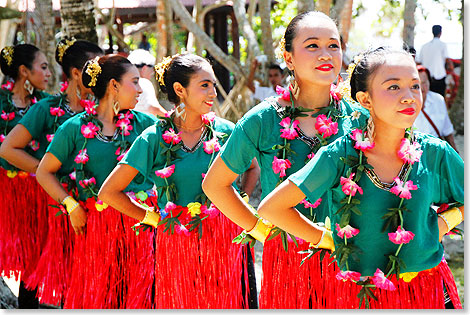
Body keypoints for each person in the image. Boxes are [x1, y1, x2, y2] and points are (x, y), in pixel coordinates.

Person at [257, 47, 463, 309]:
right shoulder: (339, 155)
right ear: (365, 99)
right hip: (357, 298)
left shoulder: (435, 153)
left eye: (414, 86)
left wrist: (444, 223)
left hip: (424, 293)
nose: (409, 97)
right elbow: (272, 207)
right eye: (393, 87)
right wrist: (324, 238)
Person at [203, 11, 369, 308]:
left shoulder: (360, 117)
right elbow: (215, 185)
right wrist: (259, 229)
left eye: (333, 45)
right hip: (289, 262)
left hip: (352, 255)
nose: (326, 54)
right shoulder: (262, 119)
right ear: (288, 58)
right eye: (312, 45)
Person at [98, 53, 260, 308]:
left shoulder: (227, 131)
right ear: (179, 90)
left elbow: (252, 168)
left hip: (225, 243)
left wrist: (241, 199)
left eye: (213, 85)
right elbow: (108, 192)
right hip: (176, 244)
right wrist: (151, 218)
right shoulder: (154, 137)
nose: (212, 92)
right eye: (204, 85)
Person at [35, 54, 157, 308]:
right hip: (95, 230)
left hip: (140, 227)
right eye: (134, 82)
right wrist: (71, 204)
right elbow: (44, 172)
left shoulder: (146, 125)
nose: (140, 89)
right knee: (99, 300)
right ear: (114, 85)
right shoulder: (73, 127)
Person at [0, 38, 103, 306]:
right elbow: (8, 149)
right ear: (77, 74)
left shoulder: (108, 113)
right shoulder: (45, 108)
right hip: (53, 204)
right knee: (44, 266)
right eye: (95, 71)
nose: (101, 78)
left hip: (100, 209)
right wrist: (47, 173)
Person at [0, 43, 51, 308]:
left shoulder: (45, 104)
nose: (48, 74)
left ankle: (28, 306)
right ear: (23, 70)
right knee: (6, 251)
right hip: (4, 194)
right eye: (43, 67)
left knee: (34, 253)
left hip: (38, 193)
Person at [414, 65, 458, 152]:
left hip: (438, 150)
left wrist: (455, 153)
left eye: (424, 82)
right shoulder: (406, 103)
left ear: (429, 82)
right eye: (417, 84)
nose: (422, 87)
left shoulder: (438, 99)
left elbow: (447, 129)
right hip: (417, 151)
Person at [127, 49, 167, 116]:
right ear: (144, 68)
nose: (152, 73)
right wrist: (171, 117)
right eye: (152, 69)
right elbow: (153, 107)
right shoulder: (144, 83)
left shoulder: (125, 83)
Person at [417, 25, 451, 97]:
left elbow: (418, 62)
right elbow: (447, 60)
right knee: (440, 98)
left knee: (428, 98)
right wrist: (452, 69)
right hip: (440, 77)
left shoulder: (424, 46)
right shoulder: (442, 45)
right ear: (440, 33)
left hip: (427, 78)